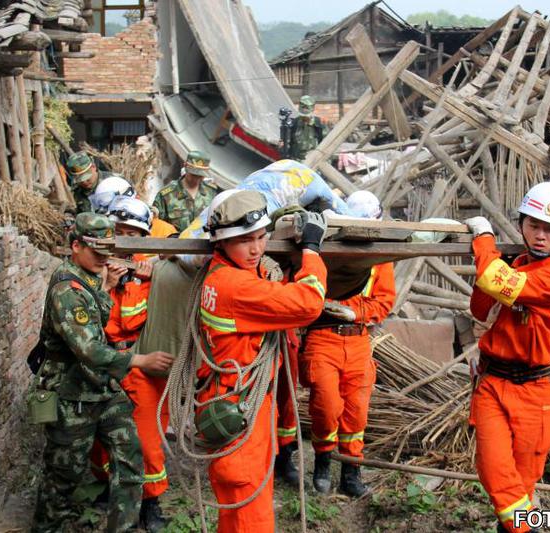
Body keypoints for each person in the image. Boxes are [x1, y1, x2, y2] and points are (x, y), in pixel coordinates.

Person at [32, 212, 174, 533]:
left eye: (106, 253)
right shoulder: (67, 289)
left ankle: (121, 525)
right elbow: (90, 349)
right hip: (71, 394)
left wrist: (107, 285)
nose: (103, 260)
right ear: (76, 245)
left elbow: (99, 317)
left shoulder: (91, 278)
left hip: (102, 388)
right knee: (64, 474)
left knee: (130, 458)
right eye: (96, 253)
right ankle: (49, 526)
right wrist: (140, 361)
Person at [197, 189, 328, 532]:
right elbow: (308, 303)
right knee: (251, 514)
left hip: (234, 404)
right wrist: (311, 251)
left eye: (260, 237)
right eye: (244, 241)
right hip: (241, 413)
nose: (256, 249)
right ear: (221, 242)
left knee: (235, 513)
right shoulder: (235, 286)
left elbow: (262, 290)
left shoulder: (218, 272)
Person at [465, 182, 550, 533]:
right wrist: (499, 269)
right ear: (522, 224)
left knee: (522, 486)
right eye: (534, 226)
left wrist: (484, 239)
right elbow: (479, 308)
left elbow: (492, 280)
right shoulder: (518, 267)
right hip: (494, 384)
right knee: (495, 470)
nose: (541, 235)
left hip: (537, 393)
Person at [299, 190, 395, 497]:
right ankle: (324, 462)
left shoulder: (381, 260)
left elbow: (384, 302)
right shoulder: (325, 250)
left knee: (356, 413)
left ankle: (351, 473)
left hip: (358, 342)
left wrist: (357, 313)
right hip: (322, 338)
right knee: (326, 407)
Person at [88, 197, 170, 531]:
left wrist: (139, 281)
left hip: (140, 366)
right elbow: (92, 324)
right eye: (119, 231)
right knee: (101, 438)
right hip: (103, 364)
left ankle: (151, 503)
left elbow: (137, 320)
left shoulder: (154, 274)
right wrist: (106, 284)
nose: (124, 239)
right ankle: (113, 488)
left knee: (147, 440)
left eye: (133, 233)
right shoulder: (90, 272)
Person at [153, 150, 216, 232]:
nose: (196, 179)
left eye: (200, 176)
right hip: (175, 243)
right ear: (185, 166)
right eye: (193, 175)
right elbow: (157, 225)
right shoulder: (166, 195)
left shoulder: (211, 193)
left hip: (204, 243)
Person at [287, 95, 328, 161]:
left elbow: (326, 146)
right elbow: (289, 143)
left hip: (313, 161)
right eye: (302, 115)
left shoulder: (319, 124)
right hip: (297, 162)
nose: (304, 118)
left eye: (307, 116)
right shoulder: (294, 123)